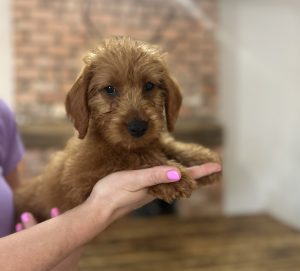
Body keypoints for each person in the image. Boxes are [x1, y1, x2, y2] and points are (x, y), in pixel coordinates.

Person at [0, 100, 222, 270]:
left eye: (148, 87)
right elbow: (80, 179)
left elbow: (13, 194)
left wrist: (53, 250)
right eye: (109, 90)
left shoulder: (2, 113)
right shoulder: (87, 147)